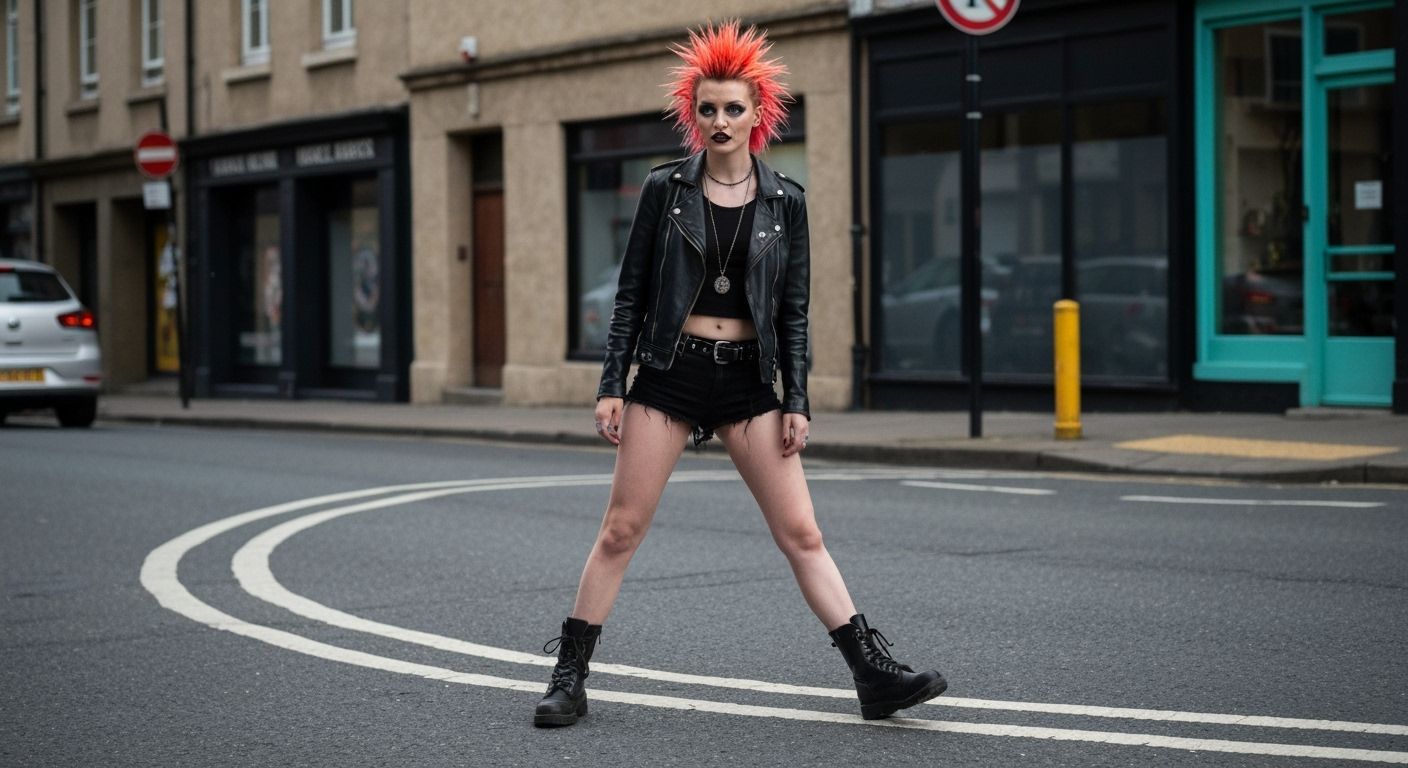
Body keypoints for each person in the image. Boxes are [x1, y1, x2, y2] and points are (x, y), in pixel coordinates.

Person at [534, 20, 947, 728]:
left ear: (759, 115)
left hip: (750, 382)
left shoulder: (787, 201)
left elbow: (794, 310)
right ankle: (570, 675)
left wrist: (797, 399)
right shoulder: (666, 192)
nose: (720, 120)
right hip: (671, 373)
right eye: (708, 108)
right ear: (691, 116)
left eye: (734, 108)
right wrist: (611, 383)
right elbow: (631, 294)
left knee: (803, 533)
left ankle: (871, 674)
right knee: (621, 530)